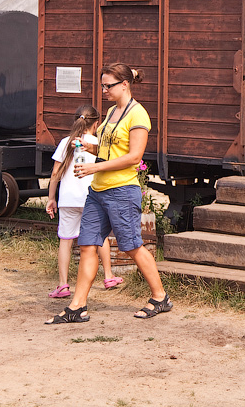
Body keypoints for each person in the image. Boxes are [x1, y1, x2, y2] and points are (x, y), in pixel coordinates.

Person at [45, 64, 171, 324]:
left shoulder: (138, 115)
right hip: (98, 191)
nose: (103, 90)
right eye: (102, 85)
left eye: (108, 86)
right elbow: (106, 151)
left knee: (132, 246)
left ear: (124, 84)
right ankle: (77, 306)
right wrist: (87, 149)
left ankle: (160, 297)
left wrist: (94, 166)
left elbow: (134, 157)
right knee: (87, 244)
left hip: (122, 191)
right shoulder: (112, 112)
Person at [45, 105, 121, 298]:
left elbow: (55, 173)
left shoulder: (65, 142)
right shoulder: (98, 143)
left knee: (65, 240)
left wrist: (51, 198)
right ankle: (109, 276)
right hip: (91, 197)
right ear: (96, 123)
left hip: (68, 199)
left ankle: (63, 285)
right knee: (99, 236)